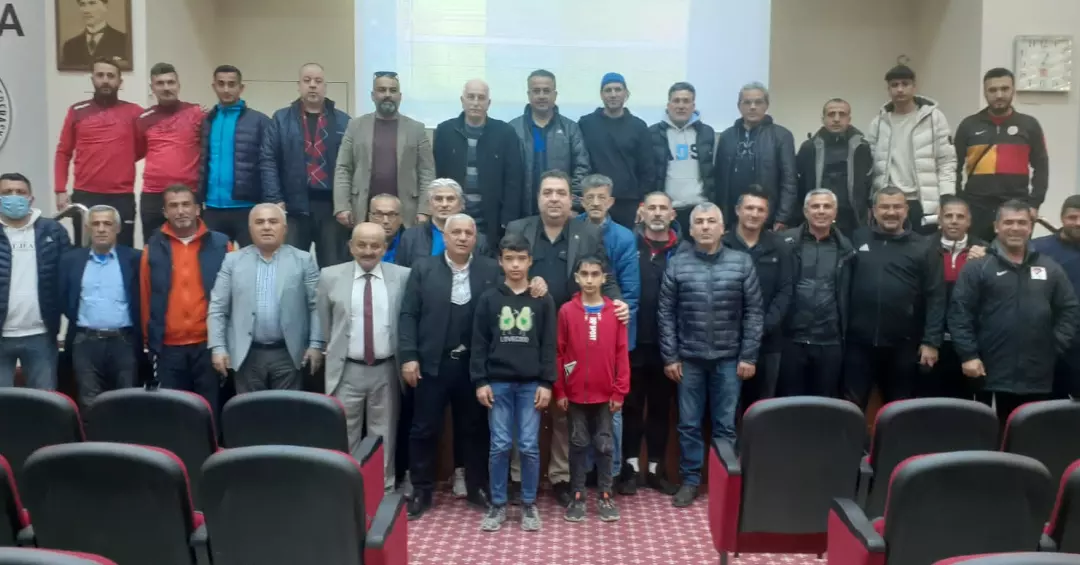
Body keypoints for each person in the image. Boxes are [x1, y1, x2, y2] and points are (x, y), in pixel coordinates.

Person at [503, 169, 628, 507]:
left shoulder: (587, 232)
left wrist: (618, 304)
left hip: (572, 336)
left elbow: (605, 276)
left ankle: (560, 477)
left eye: (560, 192)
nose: (554, 198)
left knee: (563, 410)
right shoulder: (518, 229)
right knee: (522, 406)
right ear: (538, 198)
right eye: (548, 192)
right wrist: (526, 283)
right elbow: (505, 275)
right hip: (524, 333)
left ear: (571, 199)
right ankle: (518, 477)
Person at [659, 202, 763, 508]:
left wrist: (748, 356)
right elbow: (665, 313)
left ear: (722, 228)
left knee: (725, 426)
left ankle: (723, 483)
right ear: (691, 230)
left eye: (711, 221)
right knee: (688, 424)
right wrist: (670, 357)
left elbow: (754, 313)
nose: (705, 227)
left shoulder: (741, 262)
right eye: (699, 222)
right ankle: (690, 481)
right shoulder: (677, 264)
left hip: (730, 358)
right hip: (688, 359)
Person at [399, 214, 498, 519]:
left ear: (476, 238)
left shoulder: (491, 270)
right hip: (432, 363)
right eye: (456, 232)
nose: (462, 237)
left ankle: (477, 487)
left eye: (469, 232)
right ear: (445, 236)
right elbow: (408, 314)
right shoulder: (423, 269)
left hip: (473, 365)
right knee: (424, 428)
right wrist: (409, 356)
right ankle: (422, 490)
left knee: (475, 428)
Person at [949, 199, 1080, 422]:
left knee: (1033, 432)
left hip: (1038, 374)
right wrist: (969, 355)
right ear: (996, 226)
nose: (1015, 228)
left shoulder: (1050, 267)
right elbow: (960, 313)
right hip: (989, 372)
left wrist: (1055, 345)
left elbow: (1069, 308)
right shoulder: (978, 267)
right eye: (1008, 222)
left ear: (1030, 227)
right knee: (994, 433)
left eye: (1022, 222)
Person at [316, 222, 411, 491]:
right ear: (351, 246)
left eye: (375, 245)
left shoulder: (403, 276)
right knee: (345, 434)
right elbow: (326, 323)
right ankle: (347, 491)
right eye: (362, 244)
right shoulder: (330, 276)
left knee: (385, 434)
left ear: (385, 248)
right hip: (347, 369)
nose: (368, 251)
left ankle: (383, 490)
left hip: (386, 369)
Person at [472, 233, 557, 532]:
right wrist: (480, 381)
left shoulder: (542, 299)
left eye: (521, 259)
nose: (516, 265)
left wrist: (547, 382)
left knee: (530, 445)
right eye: (509, 259)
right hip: (498, 383)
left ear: (530, 261)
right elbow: (479, 343)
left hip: (531, 384)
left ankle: (529, 503)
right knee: (500, 445)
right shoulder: (489, 298)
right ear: (500, 261)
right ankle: (498, 504)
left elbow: (549, 344)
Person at [843, 186, 946, 409]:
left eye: (897, 207)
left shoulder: (924, 247)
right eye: (885, 207)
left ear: (906, 210)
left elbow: (936, 296)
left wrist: (931, 342)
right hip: (858, 344)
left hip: (904, 346)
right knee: (851, 408)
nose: (891, 212)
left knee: (899, 410)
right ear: (874, 211)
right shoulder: (857, 238)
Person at [208, 204, 324, 394]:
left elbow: (317, 306)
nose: (266, 227)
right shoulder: (233, 261)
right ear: (250, 228)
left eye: (273, 221)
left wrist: (316, 344)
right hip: (246, 355)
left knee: (288, 409)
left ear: (284, 228)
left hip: (289, 354)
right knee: (249, 410)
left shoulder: (303, 260)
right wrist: (218, 347)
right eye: (260, 222)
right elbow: (218, 307)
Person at [140, 185, 232, 419]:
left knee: (210, 414)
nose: (180, 211)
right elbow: (146, 297)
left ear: (198, 209)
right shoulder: (152, 249)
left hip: (209, 346)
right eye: (173, 206)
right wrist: (150, 342)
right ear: (165, 212)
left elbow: (232, 297)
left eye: (186, 204)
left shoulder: (222, 245)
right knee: (174, 416)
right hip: (168, 349)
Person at [556, 255, 630, 523]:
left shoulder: (614, 312)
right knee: (578, 444)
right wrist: (561, 390)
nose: (589, 280)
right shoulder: (566, 311)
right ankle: (577, 496)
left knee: (605, 445)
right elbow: (560, 353)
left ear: (603, 278)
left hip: (606, 395)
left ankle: (605, 495)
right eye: (584, 274)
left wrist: (619, 391)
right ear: (577, 277)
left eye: (595, 274)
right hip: (575, 394)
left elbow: (621, 353)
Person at [578, 174, 639, 490]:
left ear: (611, 201)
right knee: (582, 406)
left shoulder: (624, 237)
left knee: (612, 408)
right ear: (581, 200)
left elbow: (630, 292)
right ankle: (587, 469)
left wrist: (618, 322)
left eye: (601, 197)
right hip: (579, 330)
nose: (595, 203)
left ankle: (611, 471)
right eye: (590, 197)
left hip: (612, 331)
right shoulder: (573, 229)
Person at [261, 62, 352, 267]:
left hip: (331, 208)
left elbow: (351, 166)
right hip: (293, 207)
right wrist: (275, 199)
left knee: (333, 267)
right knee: (290, 267)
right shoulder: (281, 119)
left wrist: (346, 204)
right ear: (299, 85)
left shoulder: (343, 121)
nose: (312, 85)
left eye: (318, 81)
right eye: (307, 80)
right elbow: (268, 160)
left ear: (325, 87)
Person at [621, 192, 681, 495]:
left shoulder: (683, 250)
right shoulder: (626, 245)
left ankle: (656, 469)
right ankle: (629, 469)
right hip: (631, 342)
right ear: (641, 213)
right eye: (652, 208)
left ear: (672, 215)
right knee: (631, 407)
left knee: (660, 408)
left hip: (667, 346)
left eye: (663, 208)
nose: (657, 213)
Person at [59, 205, 143, 410]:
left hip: (124, 341)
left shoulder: (135, 259)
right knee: (89, 403)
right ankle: (93, 433)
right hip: (85, 341)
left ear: (117, 228)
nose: (101, 229)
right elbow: (63, 298)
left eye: (107, 224)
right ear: (88, 228)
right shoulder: (71, 260)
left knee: (127, 401)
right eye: (96, 224)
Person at [54, 58, 143, 247]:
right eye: (100, 75)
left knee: (123, 251)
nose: (105, 80)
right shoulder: (77, 111)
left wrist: (124, 158)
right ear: (92, 79)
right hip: (86, 194)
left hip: (122, 196)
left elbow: (146, 145)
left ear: (120, 81)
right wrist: (60, 190)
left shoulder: (134, 112)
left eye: (111, 76)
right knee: (85, 250)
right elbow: (63, 152)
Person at [955, 67, 1049, 243]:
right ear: (985, 92)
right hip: (976, 207)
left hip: (1016, 206)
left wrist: (1034, 204)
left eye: (1004, 89)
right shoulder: (969, 125)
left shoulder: (1029, 125)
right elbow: (953, 166)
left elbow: (1041, 167)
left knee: (1015, 255)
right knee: (975, 254)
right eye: (993, 90)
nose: (999, 95)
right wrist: (959, 202)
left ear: (1013, 90)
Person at [334, 72, 435, 232]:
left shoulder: (416, 129)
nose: (387, 95)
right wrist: (342, 206)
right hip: (363, 211)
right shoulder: (355, 126)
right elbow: (343, 168)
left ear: (400, 96)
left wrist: (424, 210)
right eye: (382, 90)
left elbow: (426, 172)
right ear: (373, 95)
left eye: (393, 90)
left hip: (406, 214)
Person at [778, 189, 854, 397]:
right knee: (789, 404)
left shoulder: (847, 248)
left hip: (830, 340)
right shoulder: (784, 242)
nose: (821, 211)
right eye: (815, 206)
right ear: (805, 211)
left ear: (835, 212)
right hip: (792, 340)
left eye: (827, 206)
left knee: (825, 404)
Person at [0, 173, 71, 389]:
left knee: (45, 401)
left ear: (31, 199)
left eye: (20, 192)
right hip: (1, 335)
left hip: (41, 334)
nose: (14, 196)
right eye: (7, 192)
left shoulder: (53, 231)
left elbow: (67, 276)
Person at [866, 65, 956, 233]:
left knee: (925, 246)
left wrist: (946, 198)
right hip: (890, 203)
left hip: (924, 203)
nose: (900, 89)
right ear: (888, 89)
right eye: (894, 85)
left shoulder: (934, 118)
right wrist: (872, 201)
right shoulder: (878, 122)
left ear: (914, 87)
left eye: (905, 84)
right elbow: (871, 167)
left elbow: (946, 161)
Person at [722, 187, 792, 404]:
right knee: (726, 409)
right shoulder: (722, 244)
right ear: (737, 210)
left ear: (767, 214)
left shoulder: (780, 247)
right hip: (727, 343)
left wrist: (760, 329)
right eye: (749, 208)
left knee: (762, 409)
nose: (754, 214)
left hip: (768, 342)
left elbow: (785, 291)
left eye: (760, 209)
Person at [433, 79, 524, 244]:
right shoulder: (445, 131)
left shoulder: (505, 133)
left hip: (492, 219)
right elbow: (437, 175)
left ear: (488, 103)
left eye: (481, 98)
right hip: (453, 216)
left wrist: (508, 220)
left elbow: (514, 180)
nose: (475, 102)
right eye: (471, 97)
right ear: (462, 101)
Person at [200, 65, 275, 247]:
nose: (226, 89)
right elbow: (202, 161)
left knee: (252, 260)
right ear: (214, 87)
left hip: (247, 207)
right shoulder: (207, 120)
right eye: (221, 84)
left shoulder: (259, 121)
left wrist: (270, 202)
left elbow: (269, 163)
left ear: (241, 88)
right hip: (212, 208)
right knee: (214, 261)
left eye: (231, 84)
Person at [715, 82, 798, 230]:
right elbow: (719, 180)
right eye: (747, 102)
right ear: (739, 106)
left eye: (758, 102)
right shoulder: (727, 136)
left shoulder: (781, 136)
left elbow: (789, 180)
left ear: (766, 105)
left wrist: (782, 217)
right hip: (732, 219)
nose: (752, 107)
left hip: (768, 218)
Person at [136, 62, 205, 239]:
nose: (166, 88)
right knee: (153, 245)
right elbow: (138, 151)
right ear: (152, 88)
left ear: (178, 85)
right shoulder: (143, 118)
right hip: (153, 193)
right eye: (160, 83)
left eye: (170, 82)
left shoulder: (197, 113)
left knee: (193, 244)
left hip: (188, 192)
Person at [577, 73, 655, 228]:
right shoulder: (586, 124)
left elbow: (648, 169)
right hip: (595, 201)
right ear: (601, 94)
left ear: (626, 93)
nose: (613, 94)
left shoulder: (638, 126)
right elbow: (579, 163)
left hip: (629, 204)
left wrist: (643, 203)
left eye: (618, 89)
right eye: (608, 90)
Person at [928, 195, 987, 399]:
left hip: (972, 343)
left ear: (969, 221)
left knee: (968, 405)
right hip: (933, 342)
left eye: (960, 217)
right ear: (940, 220)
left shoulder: (985, 251)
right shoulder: (924, 248)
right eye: (948, 216)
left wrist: (986, 259)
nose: (954, 221)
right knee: (929, 402)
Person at [509, 70, 590, 213]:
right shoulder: (513, 129)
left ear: (555, 95)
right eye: (536, 91)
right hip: (522, 211)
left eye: (546, 91)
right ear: (529, 94)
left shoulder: (570, 129)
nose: (541, 96)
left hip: (559, 209)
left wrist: (574, 204)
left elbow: (581, 168)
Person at [794, 98, 873, 236]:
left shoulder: (862, 147)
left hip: (853, 219)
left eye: (842, 114)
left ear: (849, 119)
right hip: (817, 218)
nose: (836, 119)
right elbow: (799, 184)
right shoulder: (809, 147)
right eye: (831, 114)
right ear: (823, 119)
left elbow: (870, 182)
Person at [648, 82, 715, 237]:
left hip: (699, 208)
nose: (681, 106)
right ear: (668, 105)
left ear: (693, 105)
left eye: (686, 101)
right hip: (667, 210)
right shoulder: (653, 133)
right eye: (676, 101)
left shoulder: (706, 133)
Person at [1030, 195, 1080, 398]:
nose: (1078, 223)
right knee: (1047, 406)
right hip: (1047, 341)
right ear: (1062, 218)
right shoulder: (1037, 248)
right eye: (1072, 217)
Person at [396, 179, 490, 268]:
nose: (444, 204)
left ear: (461, 204)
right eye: (438, 199)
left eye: (450, 199)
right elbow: (402, 273)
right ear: (429, 204)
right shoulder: (411, 237)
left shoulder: (478, 240)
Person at [60, 0, 129, 69]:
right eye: (82, 4)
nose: (86, 10)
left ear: (105, 6)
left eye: (92, 3)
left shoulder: (124, 41)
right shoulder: (70, 46)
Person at [369, 194, 405, 265]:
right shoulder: (357, 246)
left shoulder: (411, 245)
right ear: (370, 217)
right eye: (379, 214)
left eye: (392, 215)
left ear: (401, 218)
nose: (386, 221)